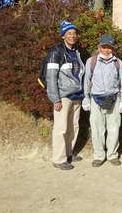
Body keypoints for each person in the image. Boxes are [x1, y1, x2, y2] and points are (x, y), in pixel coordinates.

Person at [82, 34, 122, 167]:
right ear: (99, 47)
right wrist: (86, 99)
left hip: (114, 99)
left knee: (114, 128)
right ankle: (99, 156)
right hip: (95, 100)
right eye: (104, 47)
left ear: (113, 49)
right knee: (97, 129)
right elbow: (86, 81)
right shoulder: (91, 61)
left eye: (109, 47)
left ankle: (112, 155)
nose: (107, 50)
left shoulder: (118, 63)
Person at [46, 21, 85, 170]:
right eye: (69, 33)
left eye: (74, 33)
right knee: (61, 128)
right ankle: (59, 159)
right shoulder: (56, 52)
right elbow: (51, 78)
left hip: (77, 96)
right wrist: (55, 98)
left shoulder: (76, 52)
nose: (72, 36)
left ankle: (69, 153)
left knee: (73, 126)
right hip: (63, 96)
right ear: (63, 36)